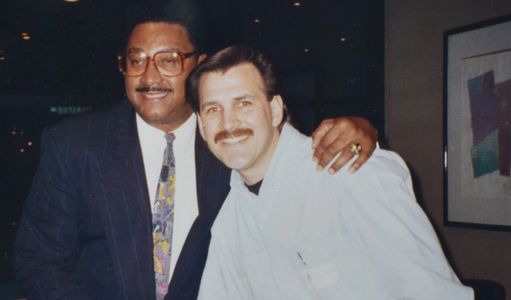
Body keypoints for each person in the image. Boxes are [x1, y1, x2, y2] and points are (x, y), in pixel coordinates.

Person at [14, 1, 378, 300]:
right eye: (136, 59)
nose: (149, 76)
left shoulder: (232, 139)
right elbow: (40, 260)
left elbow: (300, 165)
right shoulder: (75, 145)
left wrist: (364, 129)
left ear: (198, 65)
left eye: (169, 59)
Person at [187, 45, 474, 300]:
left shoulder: (348, 169)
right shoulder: (230, 220)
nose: (228, 122)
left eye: (244, 103)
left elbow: (433, 293)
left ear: (275, 110)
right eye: (213, 109)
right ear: (201, 125)